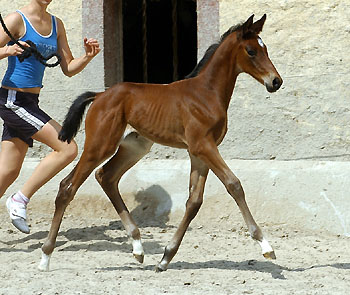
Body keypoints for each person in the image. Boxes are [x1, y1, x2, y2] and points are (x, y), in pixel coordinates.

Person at [0, 0, 101, 234]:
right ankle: (20, 200)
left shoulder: (57, 24)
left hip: (30, 102)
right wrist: (7, 50)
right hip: (13, 100)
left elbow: (69, 68)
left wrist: (87, 56)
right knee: (67, 148)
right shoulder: (16, 20)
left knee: (7, 172)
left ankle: (16, 198)